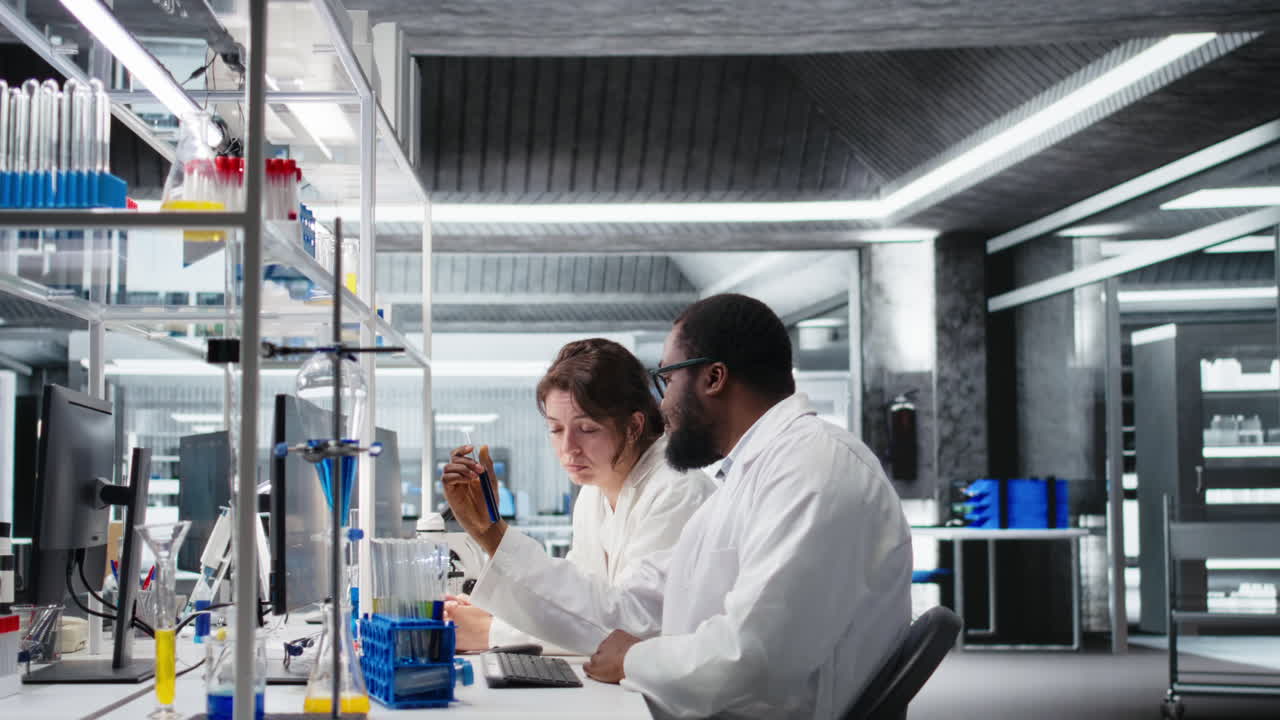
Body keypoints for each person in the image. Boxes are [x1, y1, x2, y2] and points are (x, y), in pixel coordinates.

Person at [444, 293, 912, 719]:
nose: (662, 404)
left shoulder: (812, 468)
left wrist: (634, 658)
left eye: (666, 379)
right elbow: (629, 612)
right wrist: (492, 538)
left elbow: (750, 658)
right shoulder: (753, 475)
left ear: (713, 378)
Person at [442, 338, 716, 652]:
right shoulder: (593, 494)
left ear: (634, 426)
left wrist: (492, 632)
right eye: (556, 429)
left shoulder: (678, 489)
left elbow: (635, 626)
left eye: (586, 428)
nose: (568, 448)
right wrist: (499, 616)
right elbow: (577, 607)